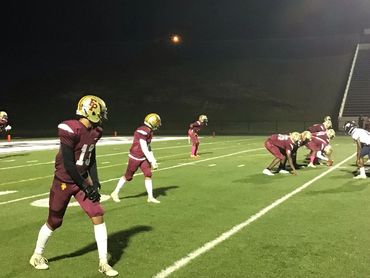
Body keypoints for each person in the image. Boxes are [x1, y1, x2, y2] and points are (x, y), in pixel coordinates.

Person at [29, 95, 118, 277]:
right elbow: (69, 165)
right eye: (100, 111)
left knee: (98, 214)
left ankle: (103, 262)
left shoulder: (96, 131)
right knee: (55, 221)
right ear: (92, 111)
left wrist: (95, 182)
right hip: (63, 182)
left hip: (81, 180)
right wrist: (86, 188)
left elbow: (91, 158)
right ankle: (37, 255)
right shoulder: (70, 128)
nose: (102, 115)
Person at [110, 113, 161, 204]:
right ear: (153, 122)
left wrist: (153, 159)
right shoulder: (143, 131)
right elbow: (144, 147)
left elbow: (148, 147)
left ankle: (150, 197)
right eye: (157, 122)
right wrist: (151, 160)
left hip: (143, 157)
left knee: (148, 174)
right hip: (136, 157)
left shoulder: (149, 131)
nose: (157, 125)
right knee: (128, 177)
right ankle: (115, 192)